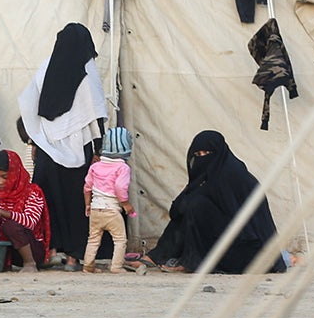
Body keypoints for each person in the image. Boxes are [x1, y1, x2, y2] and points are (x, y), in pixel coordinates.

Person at [17, 22, 108, 271]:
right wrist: (99, 151)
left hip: (48, 146)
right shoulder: (86, 68)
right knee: (77, 203)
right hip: (79, 147)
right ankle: (73, 257)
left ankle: (50, 251)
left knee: (48, 201)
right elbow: (97, 112)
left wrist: (34, 140)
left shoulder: (47, 66)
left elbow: (32, 104)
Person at [144, 130, 291, 274]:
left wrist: (192, 194)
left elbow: (237, 222)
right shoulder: (209, 176)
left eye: (206, 154)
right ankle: (155, 257)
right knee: (194, 205)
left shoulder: (231, 174)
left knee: (196, 205)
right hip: (227, 240)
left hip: (248, 252)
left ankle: (191, 262)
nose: (202, 159)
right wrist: (191, 189)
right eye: (198, 155)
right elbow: (176, 211)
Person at [0, 150, 51, 271]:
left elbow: (30, 222)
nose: (1, 182)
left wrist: (2, 213)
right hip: (6, 252)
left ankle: (29, 264)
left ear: (15, 174)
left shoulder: (33, 193)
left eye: (5, 177)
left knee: (10, 226)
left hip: (33, 250)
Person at [81, 131, 145, 274]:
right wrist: (126, 204)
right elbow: (120, 188)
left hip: (96, 210)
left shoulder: (95, 167)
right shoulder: (123, 168)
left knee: (93, 239)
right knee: (120, 239)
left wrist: (87, 205)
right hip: (111, 210)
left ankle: (88, 266)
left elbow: (87, 187)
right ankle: (116, 267)